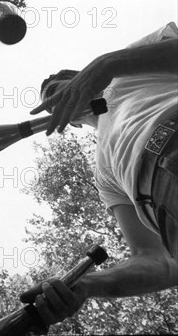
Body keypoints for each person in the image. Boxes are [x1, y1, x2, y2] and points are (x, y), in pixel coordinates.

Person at [20, 22, 178, 326]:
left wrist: (110, 63)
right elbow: (160, 262)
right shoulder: (105, 174)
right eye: (52, 101)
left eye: (62, 88)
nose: (59, 99)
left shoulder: (128, 64)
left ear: (83, 79)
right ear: (72, 124)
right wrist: (87, 285)